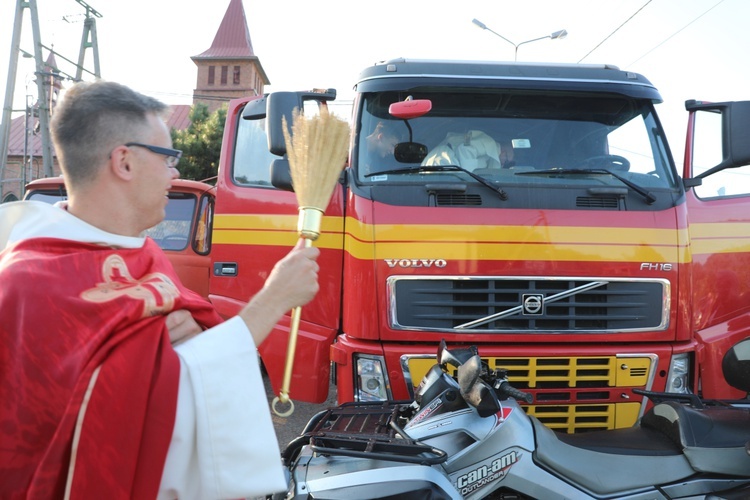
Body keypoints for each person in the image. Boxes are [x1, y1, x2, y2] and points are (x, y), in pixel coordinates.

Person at [0, 80, 320, 499]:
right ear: (125, 162)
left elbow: (170, 375)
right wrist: (273, 299)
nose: (176, 172)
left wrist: (166, 354)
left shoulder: (141, 251)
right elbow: (117, 420)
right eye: (168, 157)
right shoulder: (27, 286)